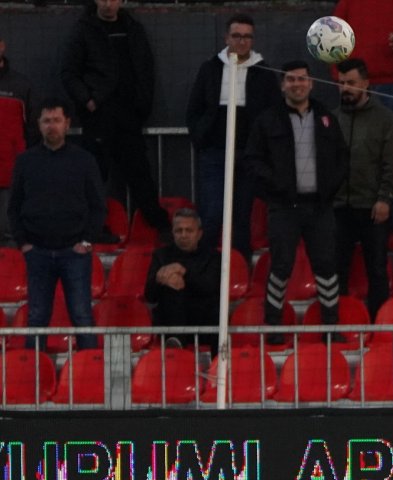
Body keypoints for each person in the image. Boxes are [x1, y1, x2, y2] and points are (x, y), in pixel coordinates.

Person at [245, 60, 346, 344]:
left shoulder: (326, 117)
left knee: (326, 265)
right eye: (291, 80)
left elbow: (341, 158)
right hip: (283, 207)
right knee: (281, 265)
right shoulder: (267, 120)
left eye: (302, 79)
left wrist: (329, 189)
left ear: (312, 83)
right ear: (282, 85)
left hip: (319, 206)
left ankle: (330, 326)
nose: (297, 84)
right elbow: (253, 160)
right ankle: (273, 326)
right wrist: (276, 186)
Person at [59, 0, 169, 242]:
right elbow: (69, 72)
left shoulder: (133, 28)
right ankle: (94, 230)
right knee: (96, 175)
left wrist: (142, 104)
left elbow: (145, 68)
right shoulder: (84, 29)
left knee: (140, 174)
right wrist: (88, 101)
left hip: (129, 115)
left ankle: (162, 228)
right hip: (99, 115)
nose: (108, 4)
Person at [8, 98, 104, 352]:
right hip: (37, 251)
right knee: (37, 318)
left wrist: (86, 241)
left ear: (67, 123)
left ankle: (91, 376)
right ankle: (34, 379)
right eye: (46, 121)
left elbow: (98, 206)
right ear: (38, 125)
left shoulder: (84, 161)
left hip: (75, 252)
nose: (52, 126)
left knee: (82, 316)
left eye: (57, 120)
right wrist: (23, 242)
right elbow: (13, 206)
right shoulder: (25, 162)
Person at [186, 13, 280, 261]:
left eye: (247, 37)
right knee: (213, 213)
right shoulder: (209, 69)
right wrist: (201, 139)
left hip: (249, 157)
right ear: (226, 37)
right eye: (237, 36)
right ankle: (204, 267)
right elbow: (194, 109)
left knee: (242, 216)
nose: (242, 41)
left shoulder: (265, 73)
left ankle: (240, 270)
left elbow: (274, 115)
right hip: (215, 154)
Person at [332, 57, 393, 320]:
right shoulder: (332, 118)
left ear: (366, 83)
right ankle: (341, 322)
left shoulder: (385, 119)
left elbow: (390, 163)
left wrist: (385, 198)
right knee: (337, 269)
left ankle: (378, 322)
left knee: (377, 269)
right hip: (339, 208)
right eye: (341, 83)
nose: (345, 88)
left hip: (373, 207)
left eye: (351, 83)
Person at [331, 0, 393, 128]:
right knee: (354, 141)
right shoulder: (347, 3)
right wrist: (341, 80)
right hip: (357, 86)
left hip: (392, 87)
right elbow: (332, 41)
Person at [143, 208, 220, 351]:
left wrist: (183, 272)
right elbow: (149, 296)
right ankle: (175, 343)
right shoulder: (161, 255)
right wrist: (159, 279)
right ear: (173, 233)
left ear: (199, 234)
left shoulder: (212, 256)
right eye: (179, 230)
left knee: (217, 307)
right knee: (171, 290)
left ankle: (218, 364)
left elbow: (210, 286)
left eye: (189, 230)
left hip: (203, 320)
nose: (183, 235)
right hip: (170, 320)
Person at [0, 36, 35, 246]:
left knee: (11, 237)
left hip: (12, 178)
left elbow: (34, 130)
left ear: (2, 46)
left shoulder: (22, 86)